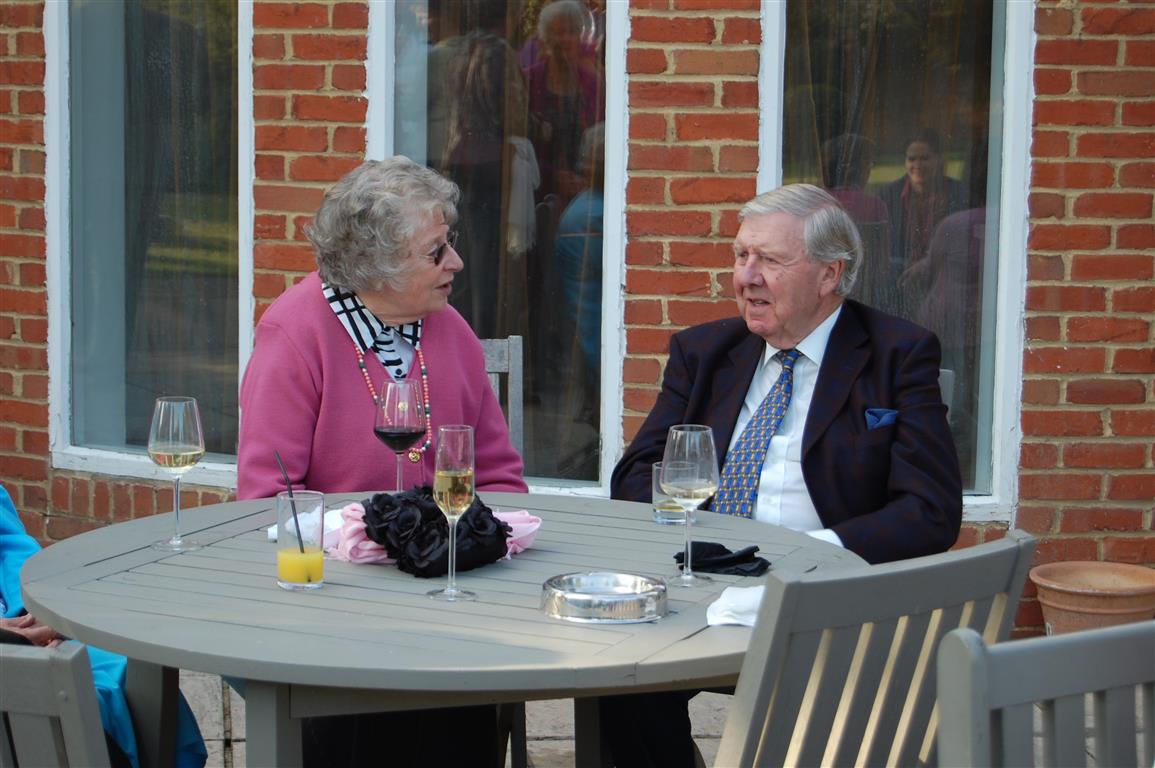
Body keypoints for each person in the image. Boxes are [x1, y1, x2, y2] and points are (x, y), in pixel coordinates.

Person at [603, 183, 962, 766]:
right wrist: (706, 541)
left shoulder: (897, 354)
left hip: (828, 606)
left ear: (829, 274)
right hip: (707, 586)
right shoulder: (704, 352)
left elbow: (930, 510)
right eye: (741, 255)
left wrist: (814, 555)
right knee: (616, 674)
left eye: (769, 260)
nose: (746, 277)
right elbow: (635, 476)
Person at [236, 156, 526, 767]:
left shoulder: (450, 330)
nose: (457, 262)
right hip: (337, 604)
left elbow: (499, 475)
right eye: (436, 251)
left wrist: (480, 551)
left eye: (450, 243)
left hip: (447, 586)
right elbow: (269, 501)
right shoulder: (295, 334)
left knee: (462, 691)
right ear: (376, 264)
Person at [0, 485, 207, 768]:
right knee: (69, 695)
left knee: (128, 667)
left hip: (18, 618)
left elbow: (11, 544)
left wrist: (31, 606)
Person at [878, 127, 968, 318]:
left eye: (924, 158)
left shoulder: (958, 194)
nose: (917, 165)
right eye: (911, 159)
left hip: (942, 280)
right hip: (899, 282)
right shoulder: (888, 195)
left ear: (938, 159)